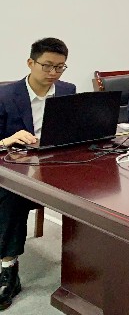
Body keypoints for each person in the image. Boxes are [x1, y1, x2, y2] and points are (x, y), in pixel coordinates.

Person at [0, 38, 75, 310]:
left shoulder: (67, 90)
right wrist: (7, 140)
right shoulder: (5, 96)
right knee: (9, 194)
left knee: (93, 189)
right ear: (30, 63)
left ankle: (83, 265)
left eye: (60, 67)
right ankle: (8, 267)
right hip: (16, 167)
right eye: (47, 66)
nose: (54, 73)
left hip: (55, 163)